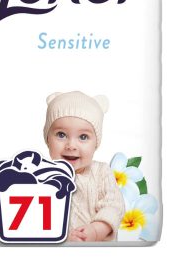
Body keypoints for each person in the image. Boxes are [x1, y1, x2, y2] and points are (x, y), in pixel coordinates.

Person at [43, 91, 125, 242]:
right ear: (48, 139)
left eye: (83, 137)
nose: (71, 145)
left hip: (96, 246)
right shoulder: (40, 176)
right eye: (61, 135)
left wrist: (95, 231)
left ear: (96, 144)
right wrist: (62, 236)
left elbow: (114, 207)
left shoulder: (101, 172)